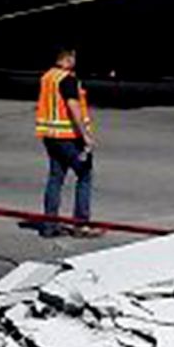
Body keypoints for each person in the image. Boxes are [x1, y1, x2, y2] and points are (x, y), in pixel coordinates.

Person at [35, 47, 100, 238]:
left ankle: (49, 225)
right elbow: (73, 107)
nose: (75, 62)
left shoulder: (48, 77)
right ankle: (81, 224)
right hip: (68, 137)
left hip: (50, 136)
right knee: (85, 175)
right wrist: (85, 135)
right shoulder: (68, 79)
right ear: (67, 58)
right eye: (74, 58)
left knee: (55, 178)